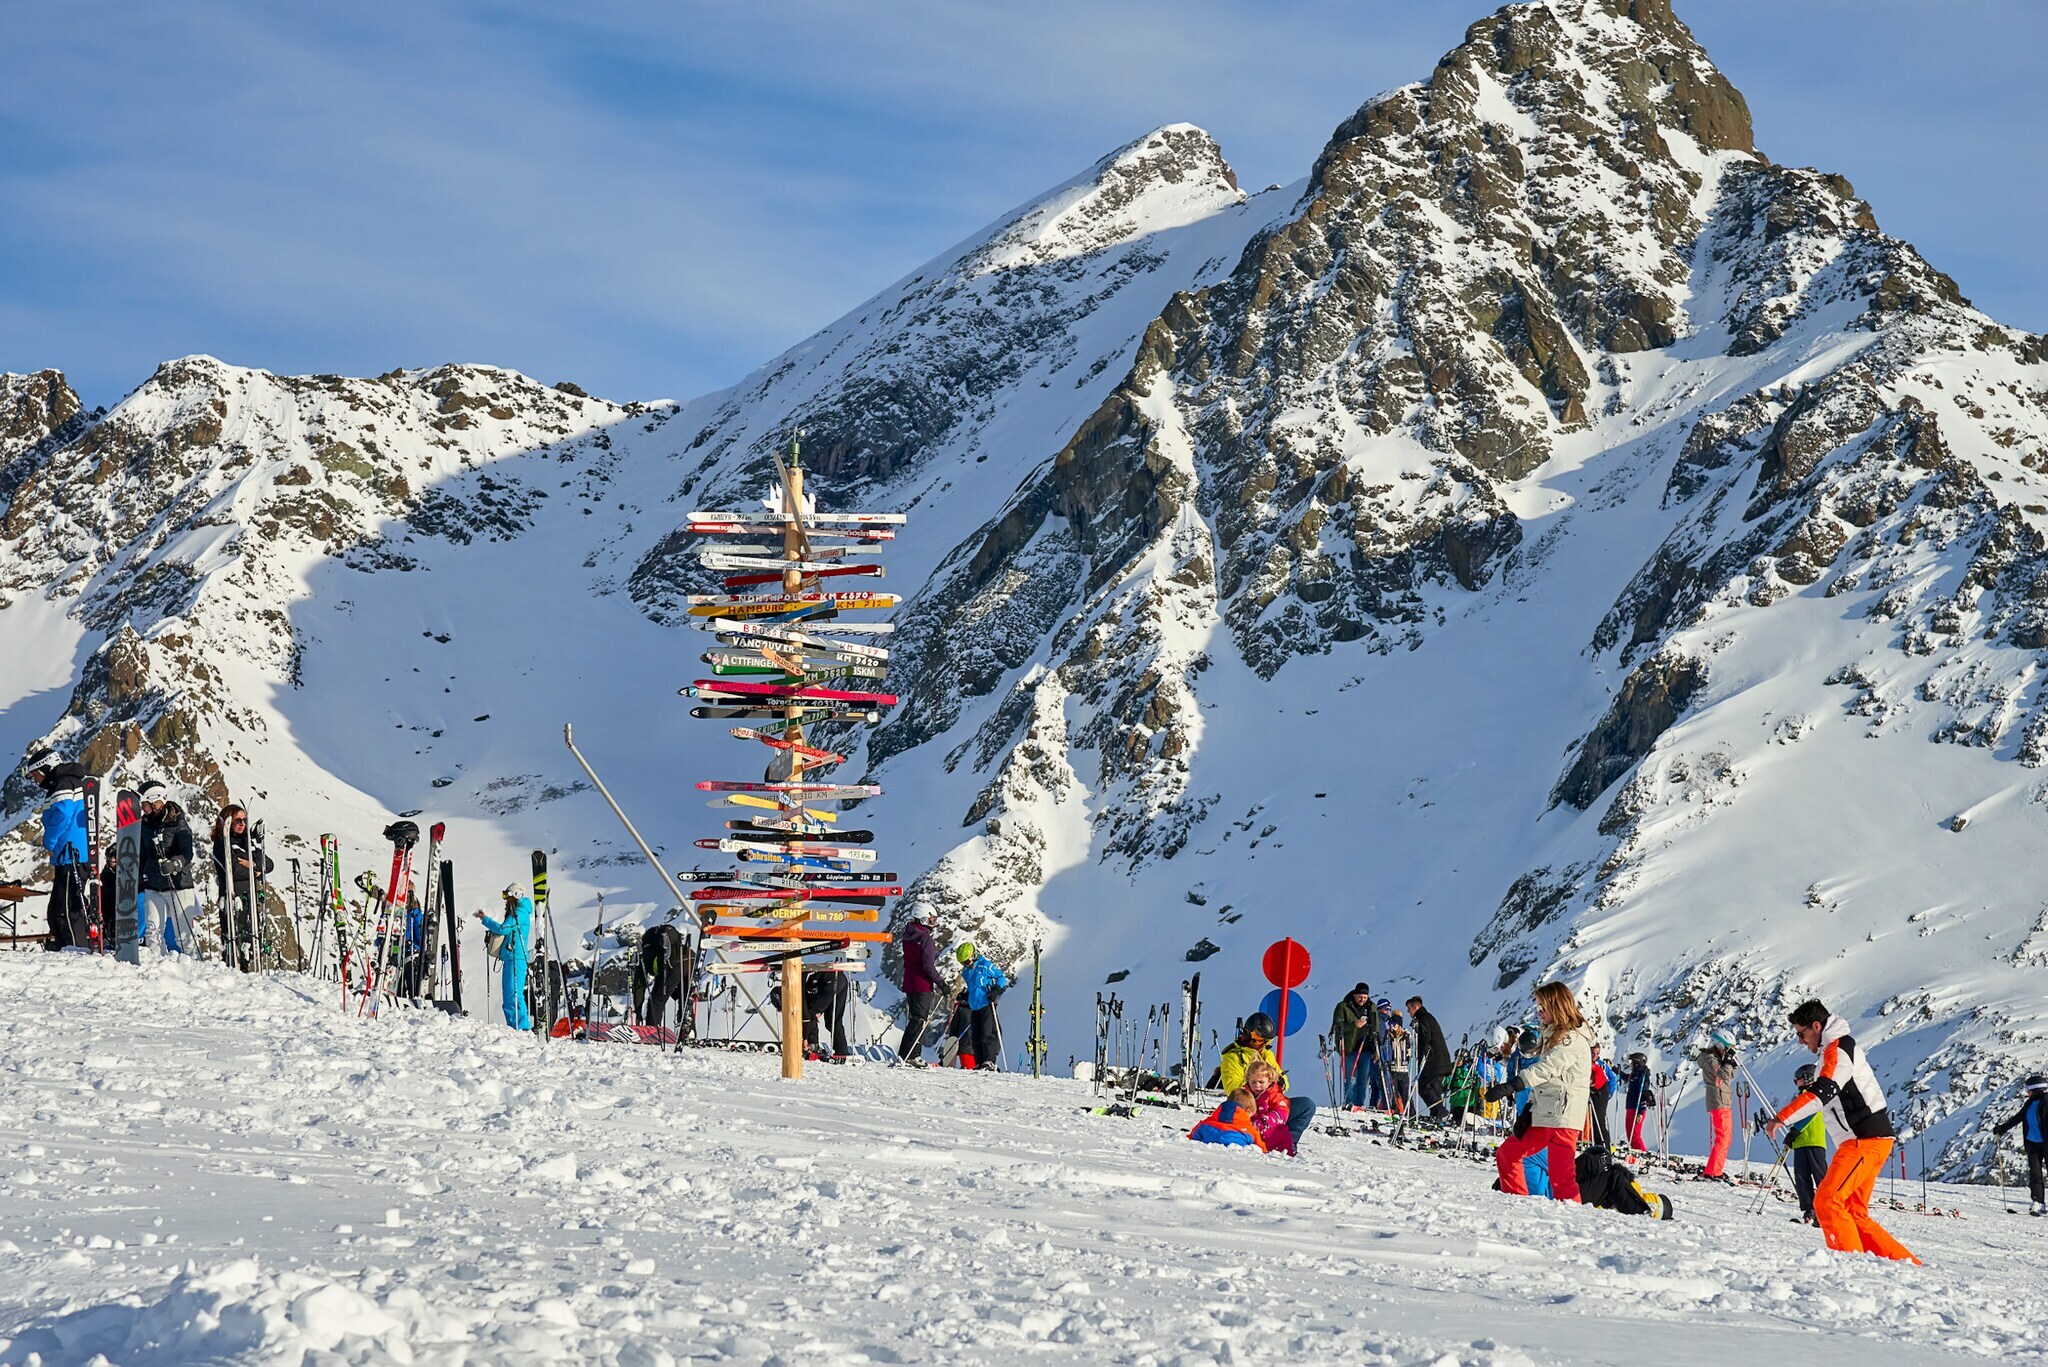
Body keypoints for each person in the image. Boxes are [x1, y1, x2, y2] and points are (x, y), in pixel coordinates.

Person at [1763, 1000, 1917, 1263]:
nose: (1800, 1041)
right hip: (1871, 1139)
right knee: (1852, 1210)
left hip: (1864, 1140)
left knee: (1826, 1200)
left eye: (1801, 1034)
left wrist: (1781, 1118)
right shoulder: (1834, 1050)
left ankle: (1851, 1266)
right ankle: (1905, 1266)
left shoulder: (1838, 1049)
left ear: (1816, 1026)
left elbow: (1822, 1092)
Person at [1486, 981, 1592, 1201]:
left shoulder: (1572, 1039)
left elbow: (1548, 1069)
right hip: (1544, 1113)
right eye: (1538, 1006)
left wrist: (1513, 1085)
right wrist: (1528, 1111)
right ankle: (1517, 1202)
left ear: (1557, 1006)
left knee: (1561, 1179)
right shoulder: (1552, 1035)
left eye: (1543, 1006)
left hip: (1563, 1116)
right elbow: (1545, 1081)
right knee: (1508, 1155)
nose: (1539, 1011)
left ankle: (1577, 1224)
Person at [1217, 1013, 1317, 1149]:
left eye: (1266, 1040)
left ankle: (1287, 1142)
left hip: (1271, 1106)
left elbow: (1284, 1081)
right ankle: (1260, 1137)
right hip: (1252, 1108)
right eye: (1258, 1038)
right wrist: (1255, 1083)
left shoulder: (1267, 1054)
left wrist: (1279, 1082)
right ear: (1247, 1034)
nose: (1262, 1044)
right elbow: (1233, 1090)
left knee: (1306, 1105)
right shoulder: (1233, 1056)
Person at [27, 751, 90, 951]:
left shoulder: (63, 783)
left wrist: (50, 842)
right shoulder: (64, 782)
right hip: (68, 855)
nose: (35, 781)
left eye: (35, 774)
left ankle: (76, 950)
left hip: (71, 854)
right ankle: (65, 948)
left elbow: (62, 814)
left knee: (66, 910)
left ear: (46, 768)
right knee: (56, 909)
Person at [137, 783, 198, 954]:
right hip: (153, 885)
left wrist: (174, 863)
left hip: (178, 885)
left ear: (155, 801)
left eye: (145, 804)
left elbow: (187, 852)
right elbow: (142, 854)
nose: (142, 808)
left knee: (183, 935)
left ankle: (195, 968)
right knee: (152, 932)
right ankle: (158, 970)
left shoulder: (176, 821)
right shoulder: (145, 824)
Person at [211, 805, 271, 971]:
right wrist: (256, 869)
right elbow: (234, 869)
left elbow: (269, 864)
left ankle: (246, 970)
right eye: (238, 820)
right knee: (234, 939)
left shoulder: (247, 844)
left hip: (249, 895)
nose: (242, 824)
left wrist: (252, 864)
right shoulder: (221, 844)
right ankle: (234, 971)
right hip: (231, 895)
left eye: (244, 820)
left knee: (249, 939)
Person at [475, 884, 533, 1030]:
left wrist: (485, 919)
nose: (506, 900)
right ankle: (516, 1026)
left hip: (515, 958)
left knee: (513, 995)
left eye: (507, 895)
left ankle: (521, 1027)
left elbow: (503, 929)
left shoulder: (519, 912)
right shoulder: (518, 911)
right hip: (511, 958)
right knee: (510, 995)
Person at [1992, 1073, 2048, 1217]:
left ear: (2035, 1089)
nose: (2026, 1092)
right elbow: (2018, 1118)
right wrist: (2002, 1128)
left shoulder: (2046, 1101)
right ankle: (2038, 1203)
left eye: (2028, 1089)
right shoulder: (2029, 1104)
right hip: (2033, 1143)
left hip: (2046, 1143)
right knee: (2035, 1174)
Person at [1781, 1062, 1830, 1225]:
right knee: (1801, 1177)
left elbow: (1810, 1114)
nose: (1797, 1083)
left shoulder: (1814, 1095)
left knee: (1820, 1176)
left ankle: (1827, 1208)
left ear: (1808, 1078)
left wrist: (1795, 1130)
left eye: (1799, 1079)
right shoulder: (1801, 1096)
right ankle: (1809, 1209)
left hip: (1814, 1140)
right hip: (1801, 1142)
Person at [897, 905, 941, 1063]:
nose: (933, 924)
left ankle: (904, 1054)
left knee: (914, 1019)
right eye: (931, 920)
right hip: (922, 984)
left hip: (909, 982)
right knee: (920, 1019)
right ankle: (912, 1055)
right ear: (923, 917)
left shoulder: (908, 935)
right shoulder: (925, 938)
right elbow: (928, 966)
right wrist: (940, 982)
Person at [955, 942, 1008, 1070]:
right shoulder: (967, 972)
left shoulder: (985, 965)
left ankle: (989, 1061)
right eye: (963, 963)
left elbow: (1001, 977)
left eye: (967, 962)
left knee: (986, 1034)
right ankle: (979, 1062)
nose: (965, 965)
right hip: (974, 1006)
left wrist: (996, 990)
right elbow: (973, 989)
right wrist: (965, 996)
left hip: (986, 1005)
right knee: (976, 1036)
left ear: (973, 956)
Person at [1696, 1030, 1737, 1181]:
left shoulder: (1716, 1058)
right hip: (1718, 1100)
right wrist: (1727, 1062)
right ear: (1720, 1045)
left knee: (1726, 1137)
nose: (1728, 1050)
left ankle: (1715, 1169)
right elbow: (1723, 1075)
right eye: (1727, 1047)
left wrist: (1730, 1063)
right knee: (1723, 1137)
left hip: (1723, 1100)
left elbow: (1729, 1075)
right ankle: (1713, 1171)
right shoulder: (1710, 1059)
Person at [1330, 984, 1378, 1111]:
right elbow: (1337, 1026)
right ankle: (1349, 1103)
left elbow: (1375, 1028)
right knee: (1350, 1078)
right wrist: (1354, 1025)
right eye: (1360, 997)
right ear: (1354, 995)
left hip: (1366, 1047)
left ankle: (1359, 1105)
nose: (1362, 1000)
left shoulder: (1371, 1007)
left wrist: (1376, 1048)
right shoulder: (1343, 1006)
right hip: (1349, 1047)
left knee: (1363, 1079)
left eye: (1365, 997)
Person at [633, 923, 687, 1033]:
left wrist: (638, 1013)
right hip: (690, 959)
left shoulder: (645, 953)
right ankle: (687, 1032)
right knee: (684, 999)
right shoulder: (669, 943)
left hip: (673, 965)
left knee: (656, 1000)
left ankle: (652, 1033)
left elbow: (639, 983)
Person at [1407, 996, 1452, 1118]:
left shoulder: (1423, 1019)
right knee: (1434, 1088)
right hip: (1440, 1062)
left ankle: (1440, 1112)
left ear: (1415, 1007)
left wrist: (1423, 1055)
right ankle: (1436, 1114)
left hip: (1433, 1062)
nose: (1408, 1012)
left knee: (1424, 1086)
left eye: (1409, 1009)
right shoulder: (1428, 1017)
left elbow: (1425, 1039)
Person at [1246, 1061, 1301, 1155]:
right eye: (1253, 1082)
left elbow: (1282, 1110)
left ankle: (1287, 1149)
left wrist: (1269, 1119)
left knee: (1280, 1134)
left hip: (1272, 1129)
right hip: (1254, 1132)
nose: (1257, 1085)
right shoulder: (1245, 1094)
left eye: (1261, 1082)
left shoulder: (1274, 1094)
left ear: (1269, 1081)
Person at [1189, 1088, 1266, 1150]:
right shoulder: (1250, 1129)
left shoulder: (1208, 1122)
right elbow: (1261, 1149)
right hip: (1238, 1152)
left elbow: (1193, 1136)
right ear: (1247, 1111)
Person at [1622, 1051, 1655, 1152]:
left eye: (1632, 1062)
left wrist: (1640, 1111)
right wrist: (1615, 1069)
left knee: (1635, 1134)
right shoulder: (1635, 1074)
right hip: (1631, 1106)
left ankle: (1642, 1152)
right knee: (1630, 1133)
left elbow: (1644, 1093)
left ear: (1637, 1063)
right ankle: (1635, 1151)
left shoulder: (1642, 1075)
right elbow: (1627, 1078)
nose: (1630, 1064)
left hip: (1637, 1108)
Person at [1586, 1043, 1615, 1147]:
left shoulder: (1599, 1065)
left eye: (1597, 1053)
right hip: (1593, 1091)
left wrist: (1610, 1093)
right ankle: (1594, 1140)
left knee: (1598, 1119)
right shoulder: (1589, 1062)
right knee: (1592, 1119)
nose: (1594, 1055)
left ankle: (1604, 1144)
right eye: (1593, 1053)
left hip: (1600, 1092)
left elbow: (1611, 1079)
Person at [1446, 1049, 1481, 1124]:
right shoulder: (1452, 1069)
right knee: (1457, 1122)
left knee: (1469, 1121)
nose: (1457, 1061)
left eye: (1460, 1059)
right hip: (1456, 1102)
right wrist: (1448, 1077)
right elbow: (1446, 1084)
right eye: (1456, 1058)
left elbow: (1478, 1084)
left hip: (1469, 1102)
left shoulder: (1472, 1069)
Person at [1386, 1021, 1413, 1115]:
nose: (1391, 1027)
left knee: (1405, 1093)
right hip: (1393, 1069)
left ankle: (1410, 1113)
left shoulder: (1405, 1036)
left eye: (1393, 1024)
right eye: (1390, 1025)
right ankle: (1396, 1111)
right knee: (1394, 1093)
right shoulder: (1389, 1036)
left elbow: (1410, 1049)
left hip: (1403, 1070)